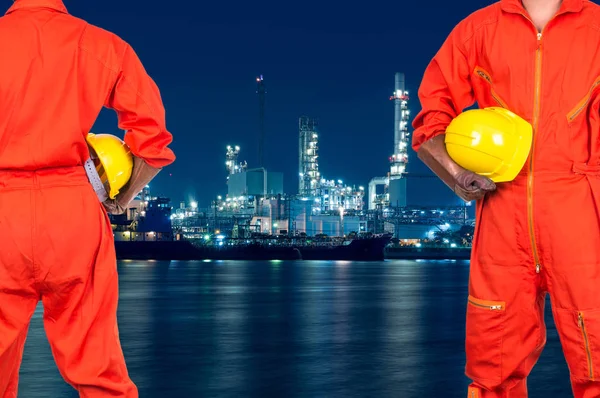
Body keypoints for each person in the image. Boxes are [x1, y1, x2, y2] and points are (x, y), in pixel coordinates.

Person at [412, 0, 600, 396]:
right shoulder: (478, 30)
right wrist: (457, 173)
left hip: (583, 215)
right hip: (500, 212)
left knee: (597, 362)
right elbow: (432, 114)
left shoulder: (597, 27)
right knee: (493, 371)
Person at [0, 0, 175, 396]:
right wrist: (122, 197)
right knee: (99, 372)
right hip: (73, 216)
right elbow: (154, 143)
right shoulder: (100, 45)